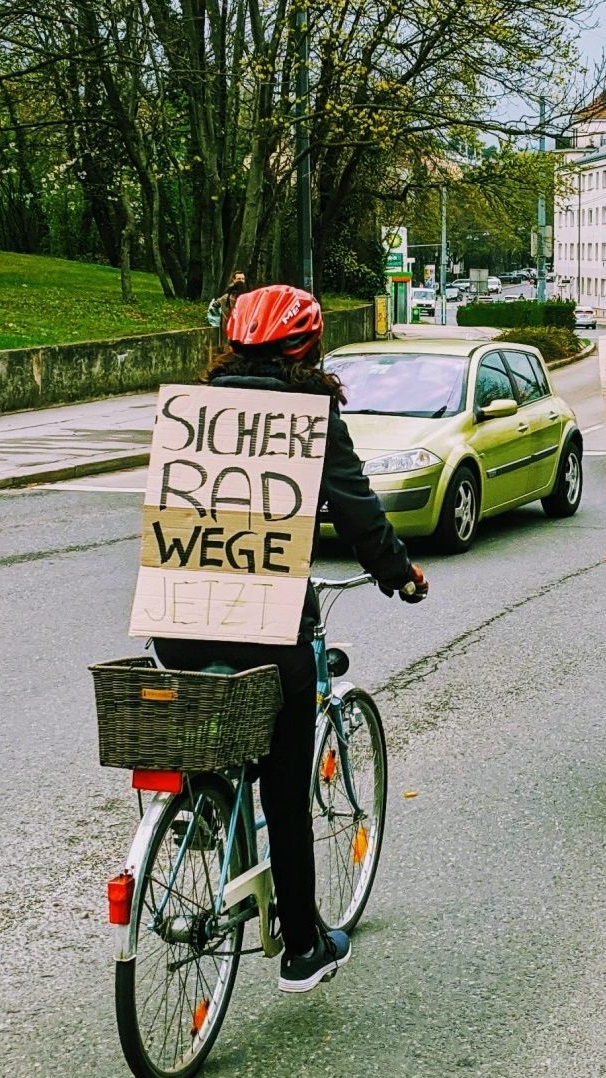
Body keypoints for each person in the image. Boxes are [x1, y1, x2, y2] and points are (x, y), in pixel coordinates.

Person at [155, 284, 428, 993]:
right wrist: (398, 574)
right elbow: (357, 508)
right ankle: (303, 946)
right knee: (284, 786)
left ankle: (203, 804)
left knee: (209, 717)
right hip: (268, 624)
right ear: (306, 347)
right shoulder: (309, 415)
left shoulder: (197, 410)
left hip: (177, 620)